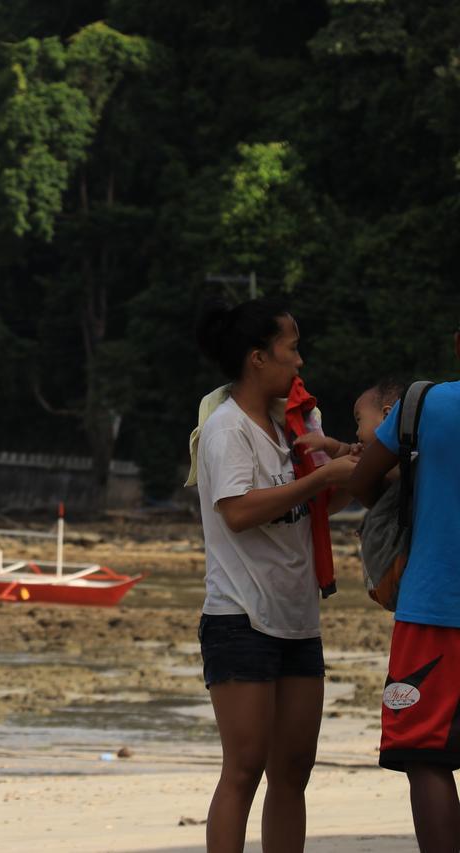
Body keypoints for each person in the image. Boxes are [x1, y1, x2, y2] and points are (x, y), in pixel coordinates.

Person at [190, 297, 358, 852]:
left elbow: (311, 508)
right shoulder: (226, 429)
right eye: (291, 348)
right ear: (257, 358)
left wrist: (341, 464)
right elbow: (238, 512)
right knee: (243, 769)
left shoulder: (295, 424)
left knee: (293, 771)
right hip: (240, 619)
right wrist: (319, 480)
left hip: (297, 620)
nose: (300, 360)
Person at [350, 326, 460, 853]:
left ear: (458, 343)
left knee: (426, 756)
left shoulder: (424, 404)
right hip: (433, 605)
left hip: (435, 608)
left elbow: (363, 480)